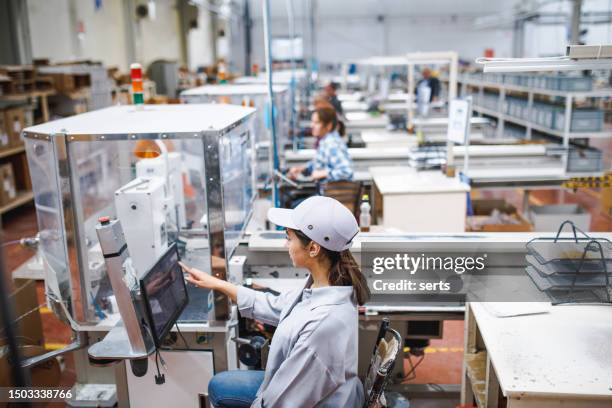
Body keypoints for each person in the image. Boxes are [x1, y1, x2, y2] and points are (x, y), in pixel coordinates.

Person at [181, 196, 370, 407]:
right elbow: (278, 305)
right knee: (220, 384)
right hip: (299, 387)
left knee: (221, 386)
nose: (285, 243)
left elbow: (281, 403)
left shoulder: (322, 325)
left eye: (289, 238)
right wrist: (219, 285)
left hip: (310, 400)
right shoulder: (327, 284)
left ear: (314, 249)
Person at [287, 105, 353, 182]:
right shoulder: (325, 141)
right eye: (312, 122)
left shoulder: (332, 144)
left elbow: (347, 172)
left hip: (329, 193)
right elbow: (320, 164)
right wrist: (301, 169)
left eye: (316, 122)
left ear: (329, 126)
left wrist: (324, 173)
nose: (311, 125)